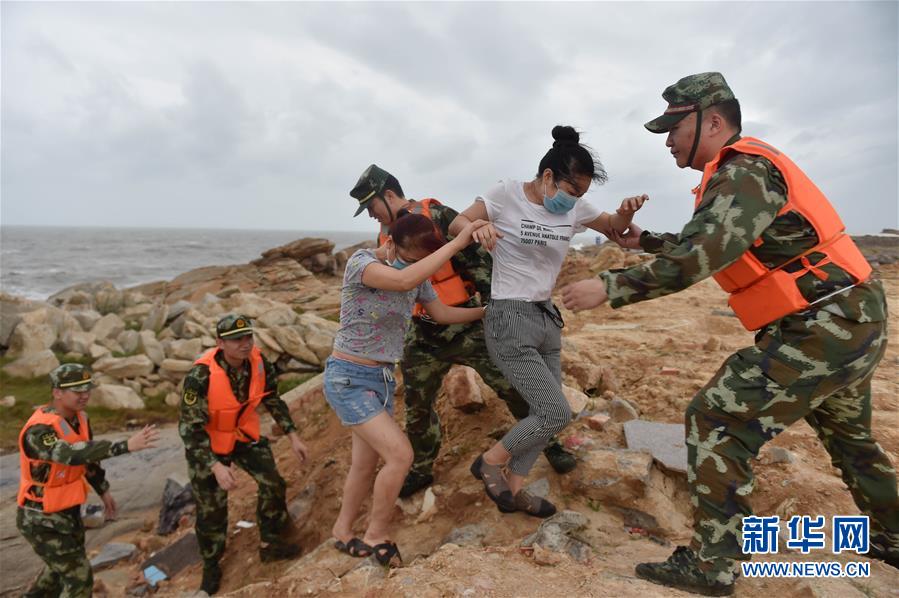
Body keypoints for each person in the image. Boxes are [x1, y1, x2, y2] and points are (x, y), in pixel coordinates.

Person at [561, 72, 898, 596]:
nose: (667, 140)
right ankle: (893, 537)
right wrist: (643, 240)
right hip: (845, 319)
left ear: (713, 121)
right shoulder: (743, 173)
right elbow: (716, 239)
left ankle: (712, 565)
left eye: (673, 129)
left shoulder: (744, 172)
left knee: (716, 418)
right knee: (850, 439)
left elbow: (701, 255)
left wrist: (610, 286)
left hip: (823, 326)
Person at [449, 125, 646, 518]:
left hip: (546, 317)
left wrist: (625, 214)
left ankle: (514, 491)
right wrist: (478, 227)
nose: (575, 202)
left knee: (540, 415)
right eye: (572, 192)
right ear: (548, 177)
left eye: (582, 196)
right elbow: (456, 224)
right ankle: (489, 462)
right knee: (556, 412)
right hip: (509, 317)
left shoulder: (576, 208)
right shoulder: (505, 193)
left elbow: (615, 228)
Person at [349, 164, 578, 498]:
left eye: (370, 206)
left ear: (387, 195)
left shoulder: (437, 214)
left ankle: (549, 443)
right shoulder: (385, 235)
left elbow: (478, 251)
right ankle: (422, 468)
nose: (370, 214)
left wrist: (496, 312)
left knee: (513, 387)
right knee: (417, 406)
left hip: (470, 326)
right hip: (424, 334)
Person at [325, 213, 486, 567]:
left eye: (418, 261)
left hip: (380, 381)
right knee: (401, 456)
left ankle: (341, 530)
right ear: (389, 243)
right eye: (409, 258)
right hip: (348, 378)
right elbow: (400, 281)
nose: (415, 266)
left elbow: (441, 313)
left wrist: (484, 312)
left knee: (364, 466)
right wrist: (457, 243)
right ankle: (376, 535)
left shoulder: (415, 275)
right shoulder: (362, 263)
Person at [179, 314, 309, 595]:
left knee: (273, 483)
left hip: (242, 435)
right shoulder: (199, 375)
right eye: (236, 339)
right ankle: (211, 566)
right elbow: (189, 430)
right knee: (212, 510)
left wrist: (293, 436)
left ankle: (271, 543)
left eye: (248, 337)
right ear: (219, 343)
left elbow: (272, 398)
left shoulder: (260, 362)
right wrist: (215, 466)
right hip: (208, 445)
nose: (244, 343)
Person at [17, 363, 159, 598]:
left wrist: (103, 490)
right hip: (40, 518)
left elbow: (88, 461)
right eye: (77, 390)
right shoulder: (39, 430)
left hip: (68, 511)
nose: (84, 395)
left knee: (56, 573)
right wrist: (125, 445)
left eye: (87, 389)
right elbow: (71, 454)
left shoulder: (80, 419)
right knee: (79, 579)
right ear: (57, 392)